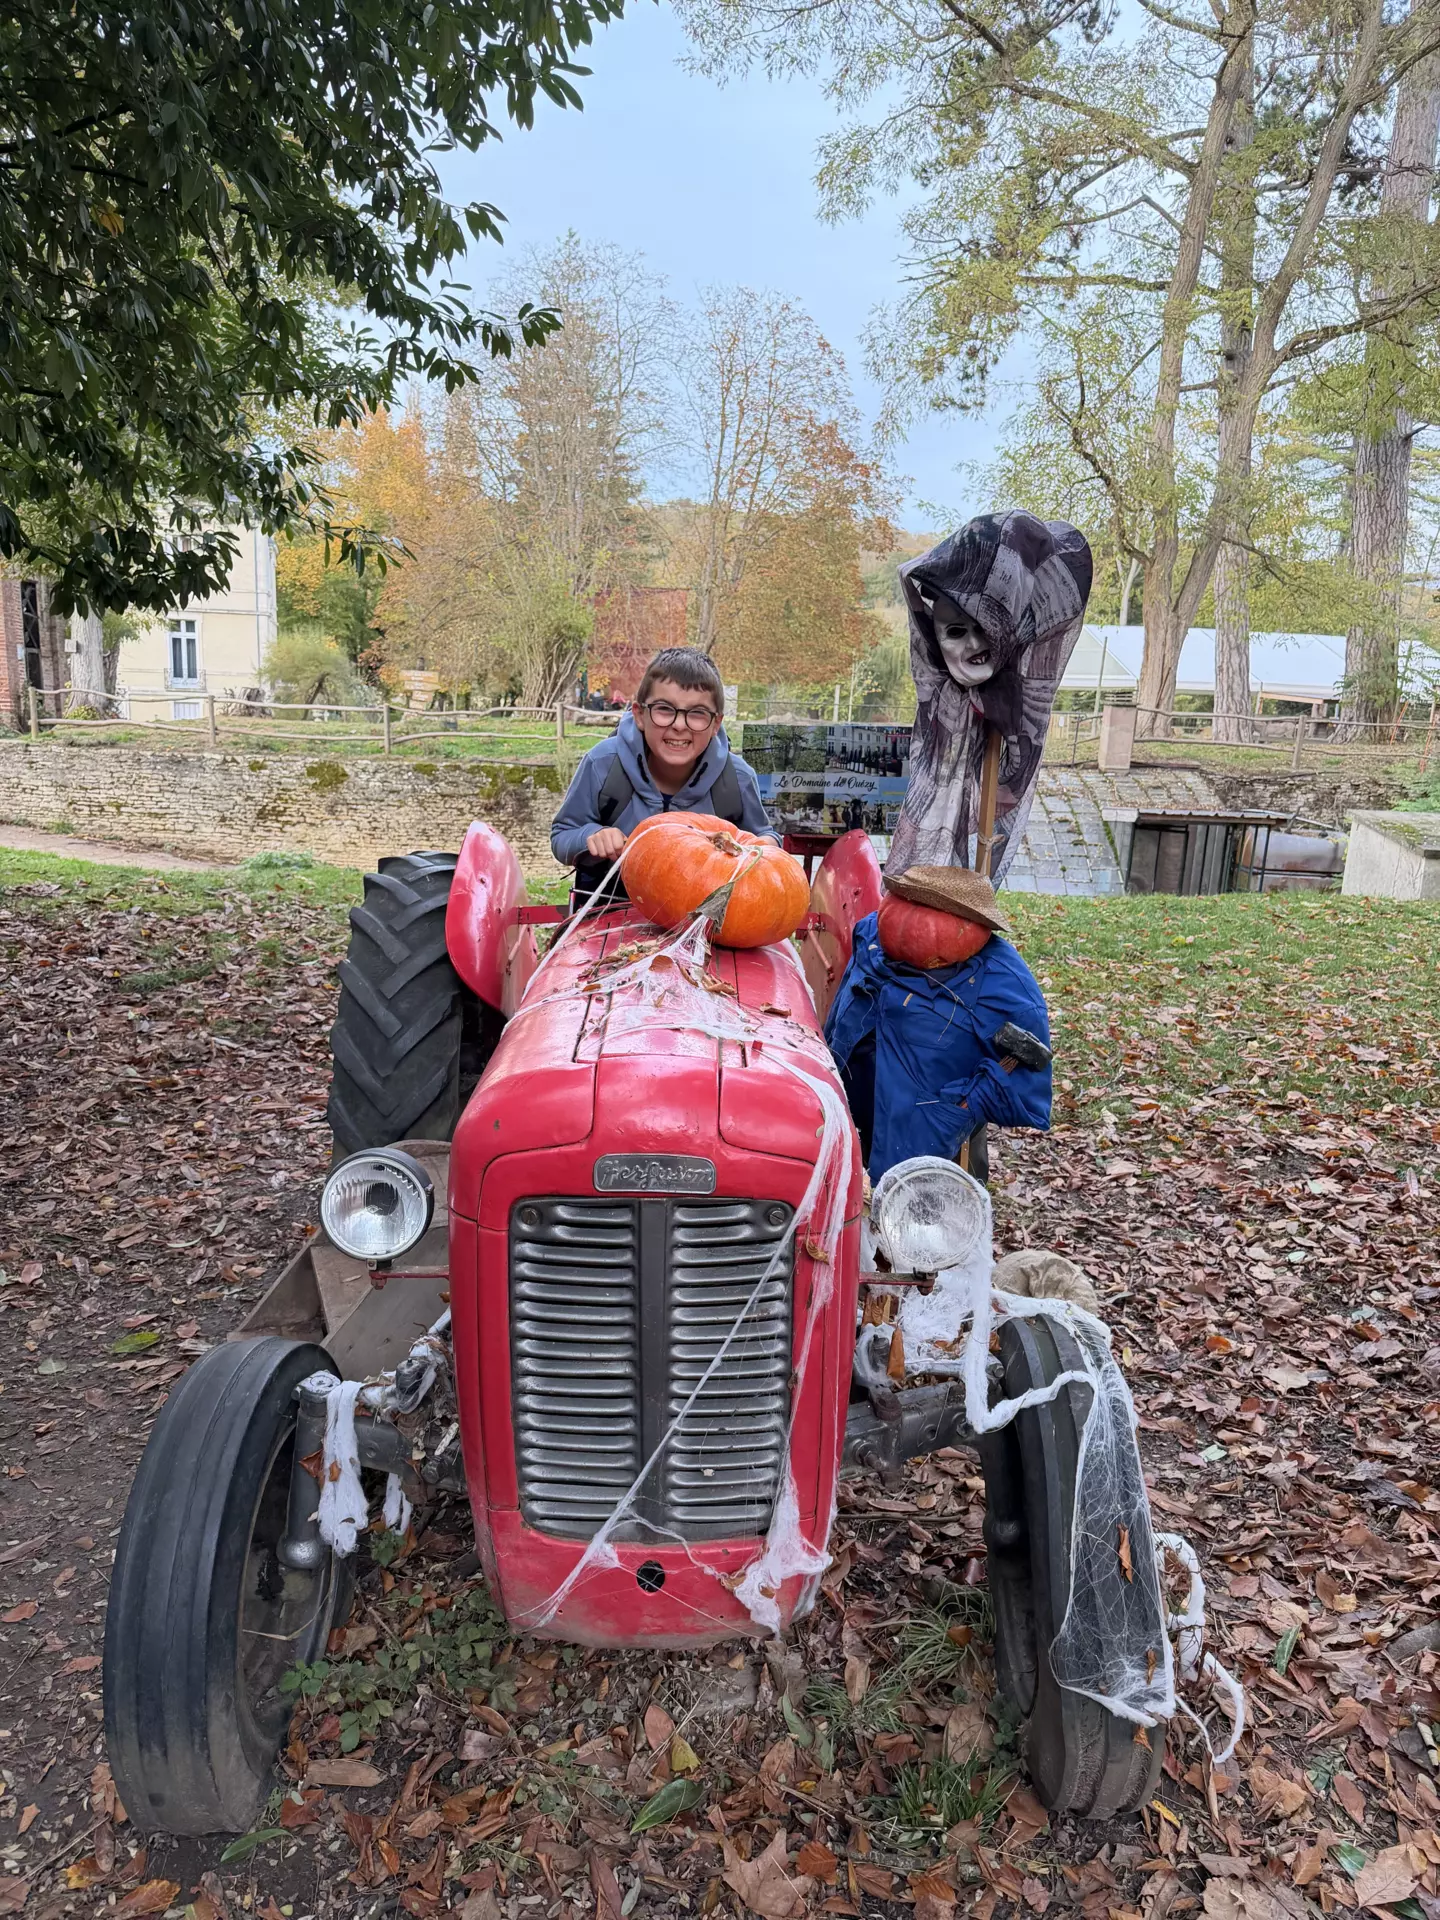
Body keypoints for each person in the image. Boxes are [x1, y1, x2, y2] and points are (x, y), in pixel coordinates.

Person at [888, 511, 1092, 885]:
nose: (973, 646)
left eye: (986, 628)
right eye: (955, 631)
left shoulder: (1022, 698)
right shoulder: (943, 695)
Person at [824, 867, 1051, 1185]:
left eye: (930, 914)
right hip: (848, 1106)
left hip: (925, 1139)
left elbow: (1027, 1083)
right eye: (906, 905)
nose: (909, 923)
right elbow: (837, 1017)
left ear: (973, 924)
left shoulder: (1006, 987)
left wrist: (963, 1108)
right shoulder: (871, 936)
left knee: (912, 1215)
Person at [551, 647, 775, 904]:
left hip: (705, 920)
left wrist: (764, 846)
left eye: (697, 713)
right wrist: (591, 836)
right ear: (639, 715)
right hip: (609, 913)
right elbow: (562, 834)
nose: (679, 725)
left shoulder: (738, 779)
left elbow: (764, 837)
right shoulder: (603, 764)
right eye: (665, 709)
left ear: (715, 724)